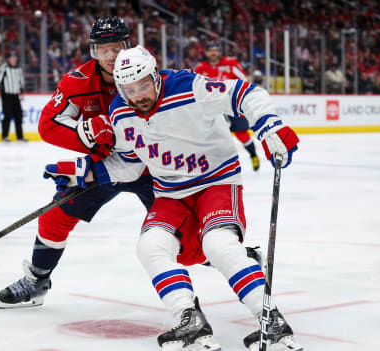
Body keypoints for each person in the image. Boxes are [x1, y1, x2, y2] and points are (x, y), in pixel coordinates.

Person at [44, 46, 302, 351]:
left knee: (218, 244)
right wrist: (83, 172)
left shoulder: (188, 86)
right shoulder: (120, 110)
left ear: (155, 76)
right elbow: (129, 165)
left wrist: (269, 125)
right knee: (150, 246)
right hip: (170, 194)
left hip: (216, 182)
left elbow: (246, 93)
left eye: (142, 85)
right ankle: (189, 320)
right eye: (128, 89)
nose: (137, 95)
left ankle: (270, 319)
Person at [0, 17, 156, 308]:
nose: (110, 56)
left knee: (182, 236)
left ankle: (238, 261)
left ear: (128, 46)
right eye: (102, 49)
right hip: (106, 166)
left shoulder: (146, 74)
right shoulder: (77, 82)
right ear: (93, 51)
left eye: (117, 48)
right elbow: (48, 125)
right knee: (54, 217)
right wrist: (87, 135)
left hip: (151, 166)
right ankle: (37, 281)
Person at [195, 41, 261, 171]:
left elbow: (243, 80)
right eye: (210, 50)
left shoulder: (231, 64)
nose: (213, 53)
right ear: (206, 52)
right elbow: (195, 89)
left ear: (219, 52)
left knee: (242, 134)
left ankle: (253, 155)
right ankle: (215, 166)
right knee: (211, 137)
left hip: (232, 105)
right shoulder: (199, 69)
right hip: (212, 109)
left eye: (216, 50)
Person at [0, 53, 26, 142]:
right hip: (6, 95)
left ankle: (20, 136)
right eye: (12, 58)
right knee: (7, 115)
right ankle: (4, 136)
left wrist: (21, 92)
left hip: (15, 95)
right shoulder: (4, 68)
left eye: (15, 58)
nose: (14, 60)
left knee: (19, 115)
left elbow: (21, 80)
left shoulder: (18, 69)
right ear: (8, 59)